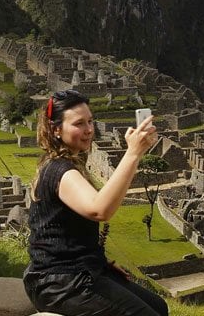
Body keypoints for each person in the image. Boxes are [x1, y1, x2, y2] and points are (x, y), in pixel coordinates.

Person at [23, 89, 168, 316]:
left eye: (90, 121)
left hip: (78, 271)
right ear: (56, 130)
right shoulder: (60, 170)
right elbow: (99, 210)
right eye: (79, 124)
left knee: (160, 307)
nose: (89, 130)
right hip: (60, 283)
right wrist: (133, 154)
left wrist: (99, 263)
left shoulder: (65, 163)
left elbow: (67, 234)